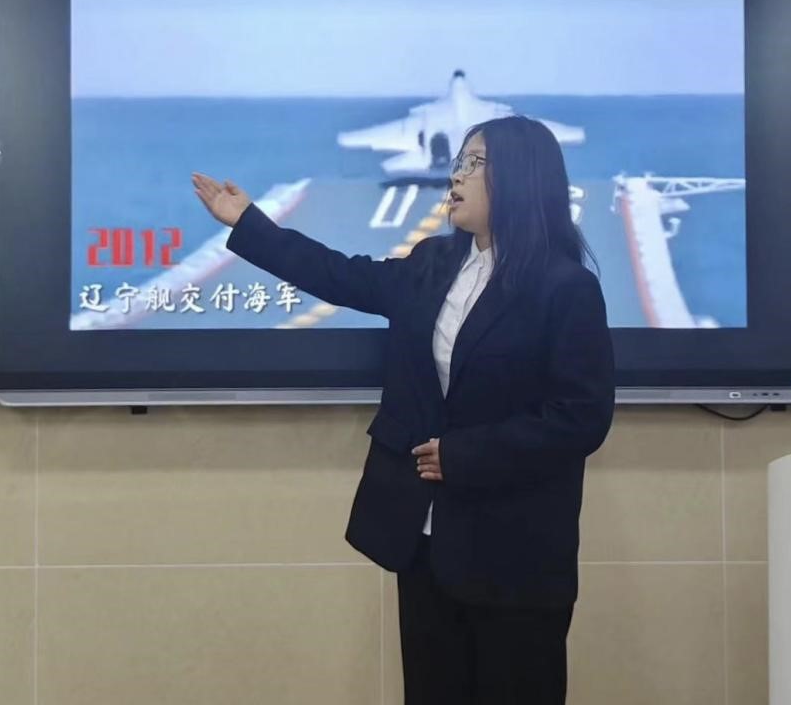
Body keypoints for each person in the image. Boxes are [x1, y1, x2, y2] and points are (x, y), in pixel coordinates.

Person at [192, 115, 615, 705]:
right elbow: (342, 276)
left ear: (519, 177)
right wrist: (249, 223)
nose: (456, 175)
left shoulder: (564, 287)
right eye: (459, 161)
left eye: (474, 163)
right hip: (426, 542)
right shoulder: (433, 263)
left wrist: (464, 456)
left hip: (515, 555)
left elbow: (580, 416)